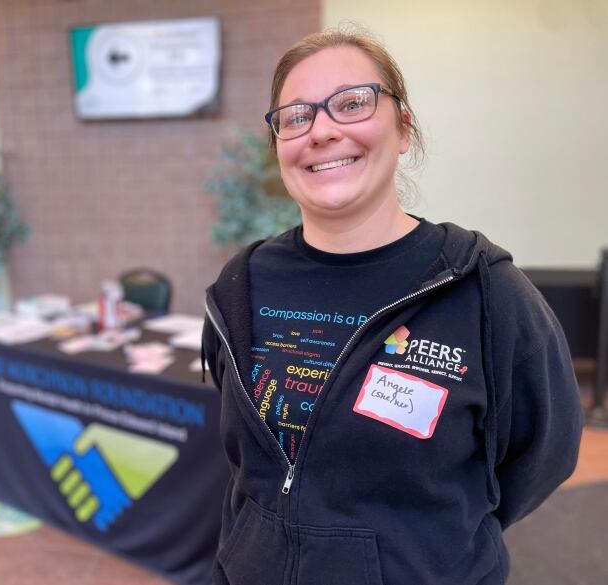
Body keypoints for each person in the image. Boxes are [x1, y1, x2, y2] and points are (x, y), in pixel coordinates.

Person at [202, 26, 583, 585]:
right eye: (296, 116)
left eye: (352, 103)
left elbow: (540, 457)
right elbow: (248, 469)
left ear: (403, 128)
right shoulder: (242, 283)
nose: (322, 130)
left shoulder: (485, 291)